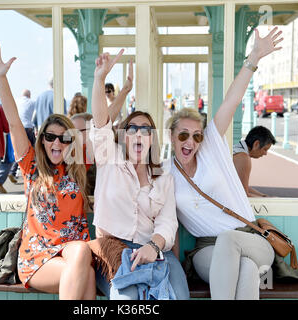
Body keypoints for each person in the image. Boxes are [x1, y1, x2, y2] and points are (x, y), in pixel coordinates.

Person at [166, 27, 283, 300]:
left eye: (196, 135)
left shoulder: (211, 149)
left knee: (232, 241)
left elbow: (232, 100)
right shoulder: (165, 173)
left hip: (251, 238)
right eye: (183, 135)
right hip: (207, 249)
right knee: (245, 271)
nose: (190, 142)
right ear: (171, 136)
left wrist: (253, 59)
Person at [0, 41, 95, 300]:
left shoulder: (77, 167)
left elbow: (102, 123)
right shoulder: (32, 166)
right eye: (51, 137)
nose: (57, 143)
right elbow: (13, 121)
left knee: (81, 257)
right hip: (37, 256)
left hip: (73, 254)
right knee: (82, 268)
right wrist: (1, 78)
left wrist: (100, 79)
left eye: (64, 138)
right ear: (42, 139)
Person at [90, 49, 189, 300]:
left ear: (152, 139)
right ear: (123, 135)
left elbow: (168, 222)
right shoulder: (109, 159)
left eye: (146, 129)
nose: (138, 133)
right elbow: (100, 124)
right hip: (113, 250)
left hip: (155, 250)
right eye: (132, 128)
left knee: (176, 295)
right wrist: (100, 80)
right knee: (127, 299)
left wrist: (153, 246)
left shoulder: (163, 175)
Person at [233, 126, 276, 197]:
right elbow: (243, 194)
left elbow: (241, 185)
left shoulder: (237, 148)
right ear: (256, 144)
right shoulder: (243, 158)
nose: (265, 154)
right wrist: (268, 201)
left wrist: (263, 196)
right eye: (265, 149)